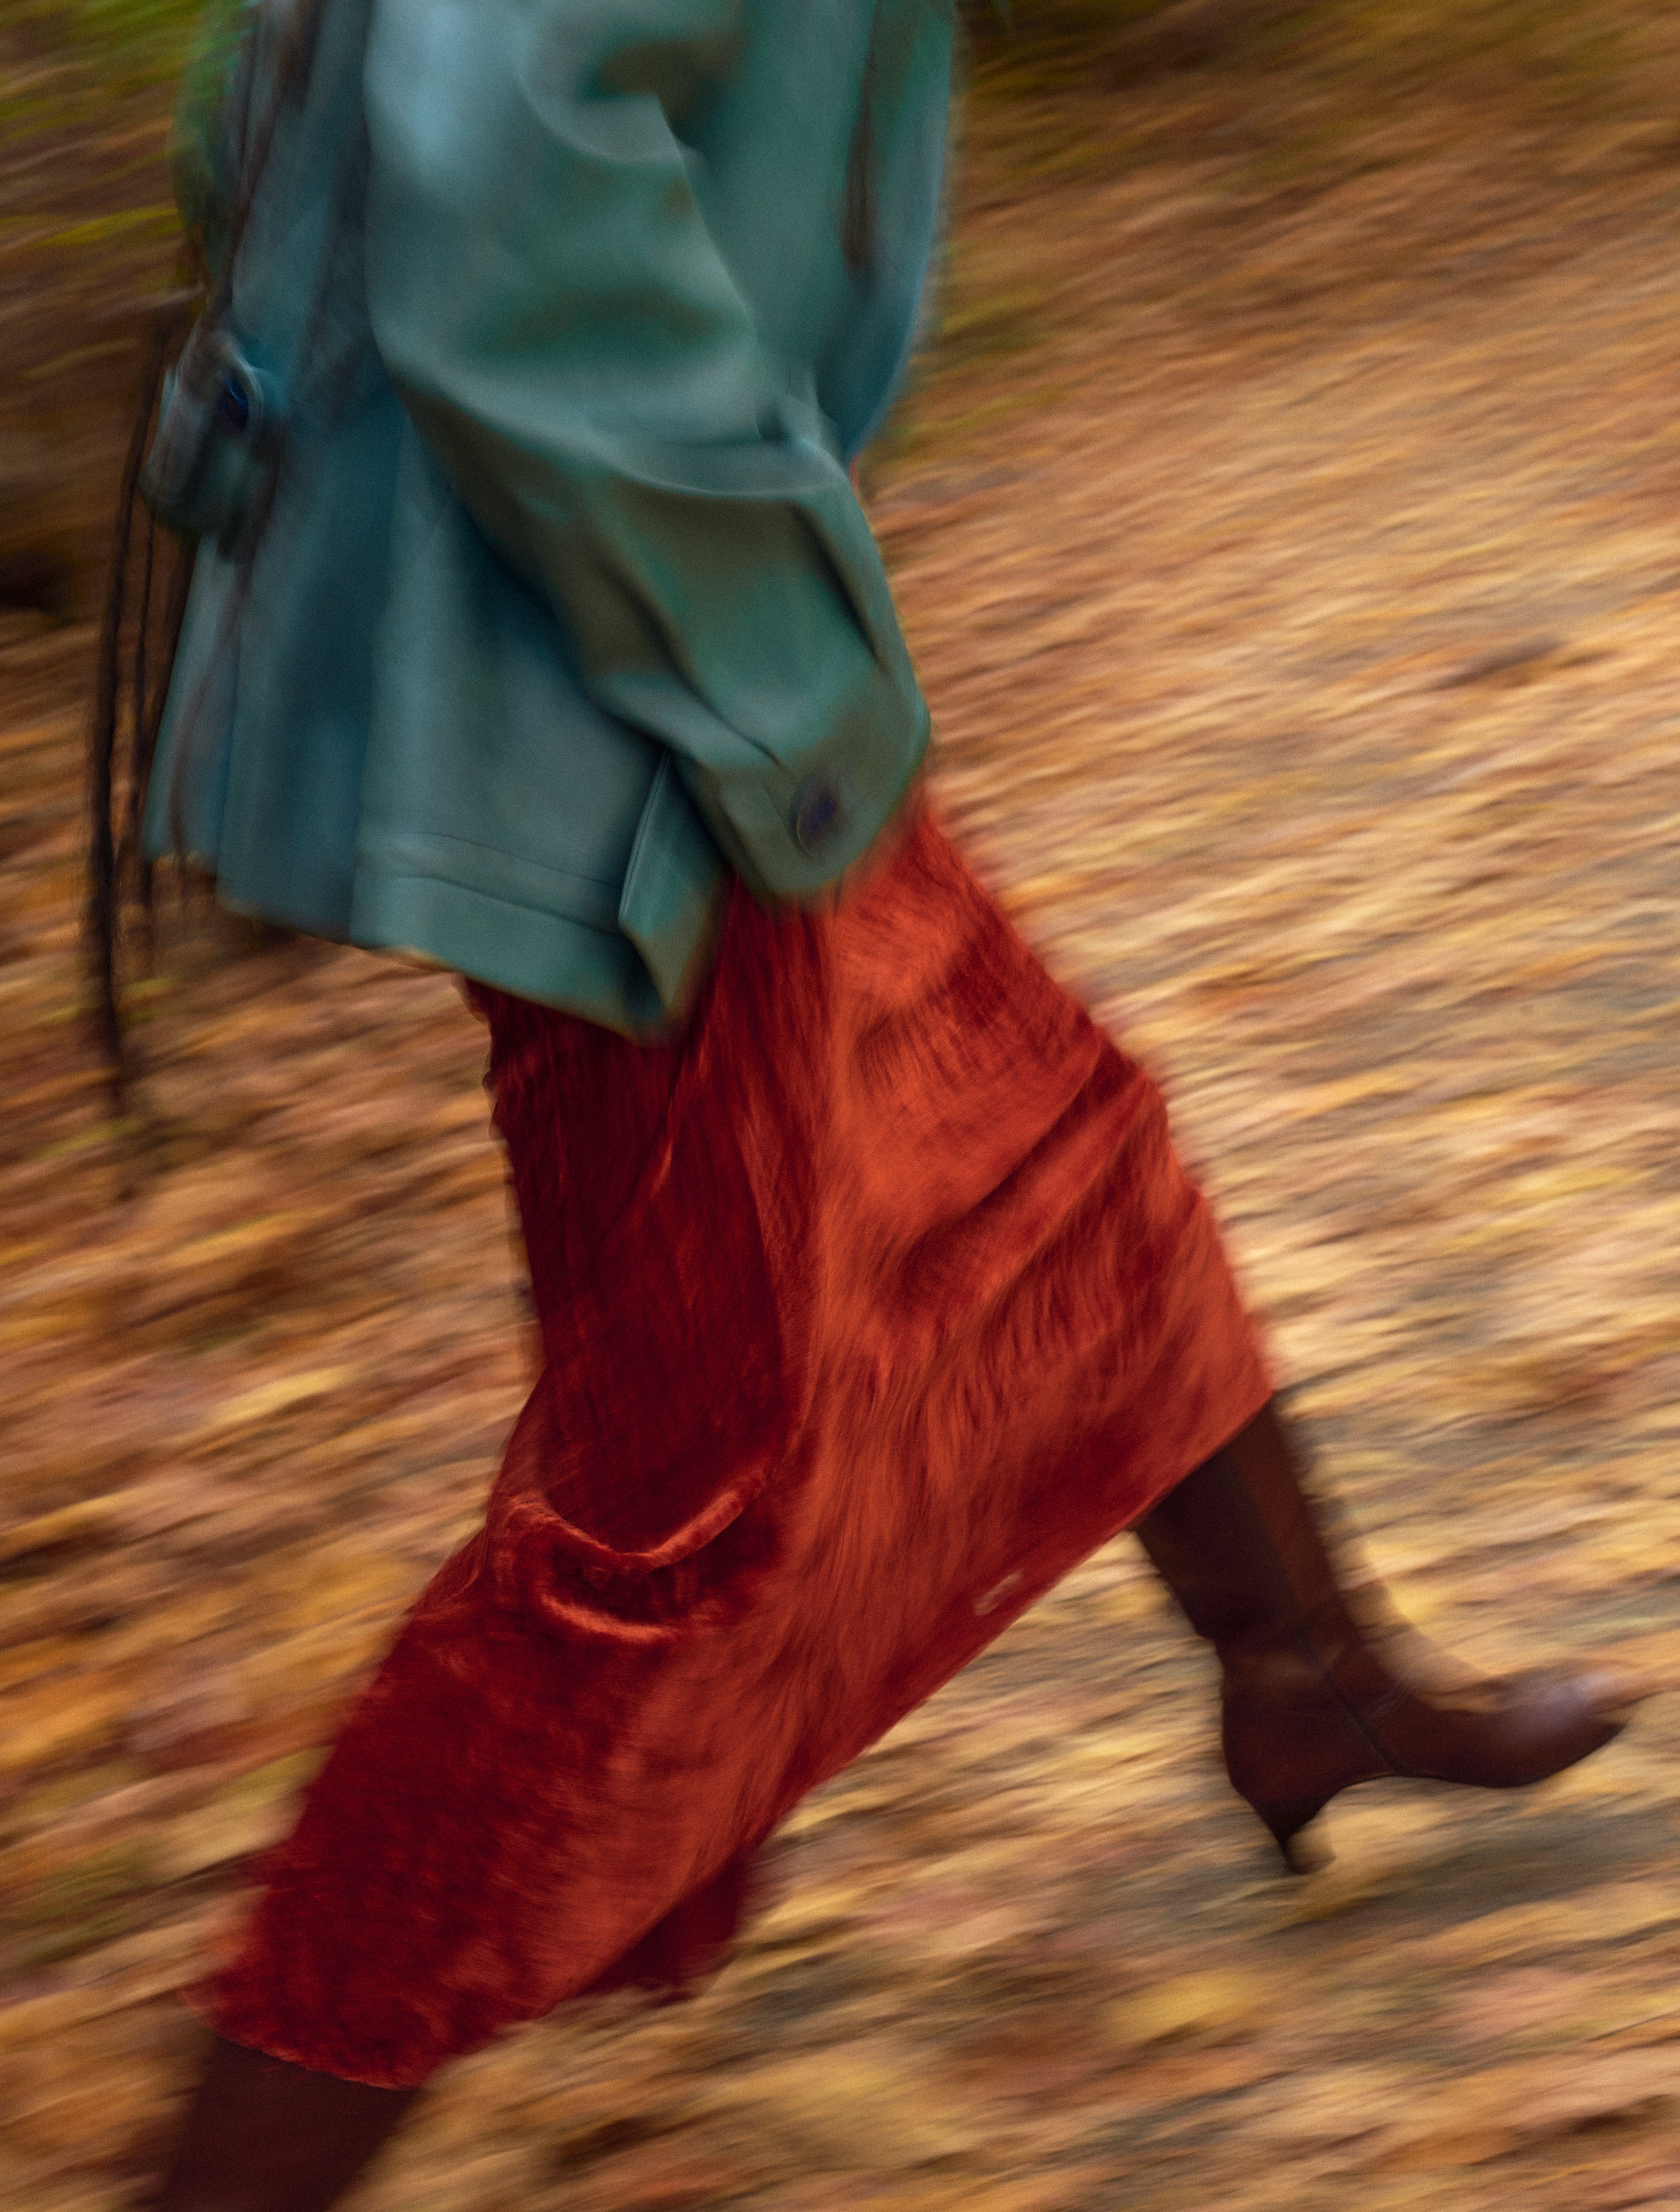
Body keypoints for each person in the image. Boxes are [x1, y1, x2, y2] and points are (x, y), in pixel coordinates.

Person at [118, 2, 1643, 2205]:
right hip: (624, 686)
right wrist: (762, 650)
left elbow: (271, 86)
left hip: (613, 635)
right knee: (675, 1527)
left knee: (1059, 1139)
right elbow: (479, 174)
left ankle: (1314, 1674)